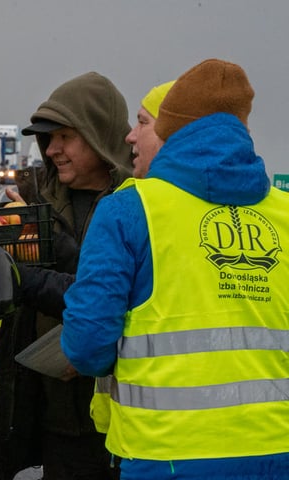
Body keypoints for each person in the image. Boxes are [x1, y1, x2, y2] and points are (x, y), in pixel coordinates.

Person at [61, 58, 289, 479]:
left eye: (146, 123)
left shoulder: (129, 211)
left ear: (172, 131)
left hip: (166, 455)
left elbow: (87, 347)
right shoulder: (284, 212)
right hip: (279, 452)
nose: (131, 135)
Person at [0, 72, 133, 480]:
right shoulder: (24, 200)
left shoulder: (139, 200)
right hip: (46, 417)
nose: (52, 149)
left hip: (122, 417)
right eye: (48, 139)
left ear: (98, 135)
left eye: (65, 137)